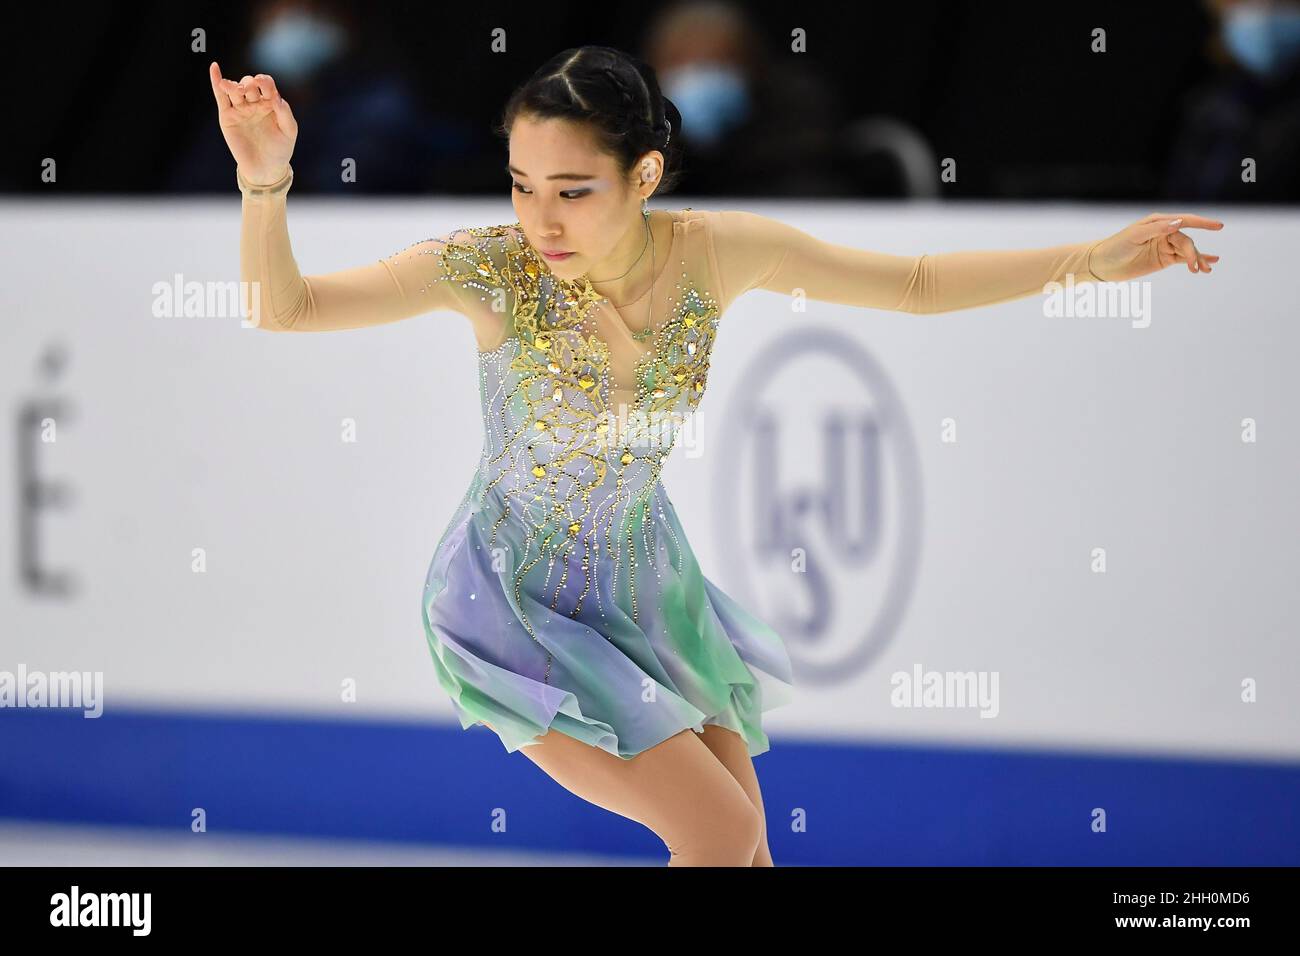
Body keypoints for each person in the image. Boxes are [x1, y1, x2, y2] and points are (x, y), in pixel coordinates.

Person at [210, 46, 1222, 867]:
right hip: (517, 604)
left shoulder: (711, 251)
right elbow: (283, 308)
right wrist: (265, 182)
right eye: (521, 185)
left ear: (642, 173)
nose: (540, 218)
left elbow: (913, 279)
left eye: (572, 189)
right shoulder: (485, 268)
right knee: (716, 832)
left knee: (746, 847)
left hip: (648, 588)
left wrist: (1089, 260)